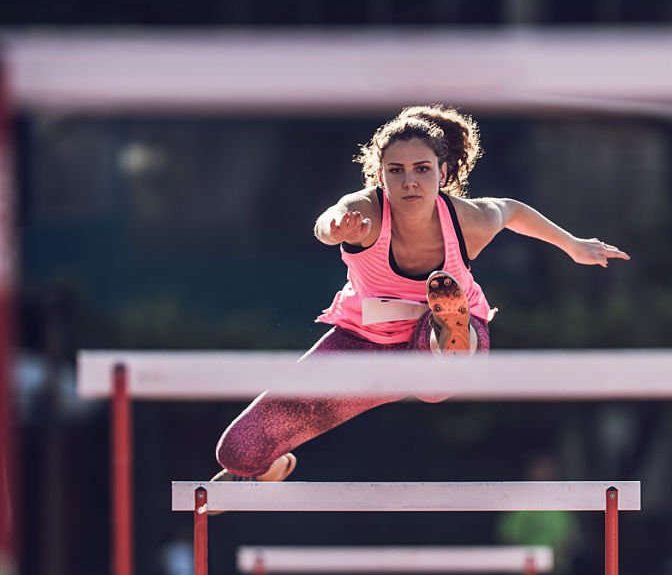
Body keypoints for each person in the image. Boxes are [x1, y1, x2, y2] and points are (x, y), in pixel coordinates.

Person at [213, 105, 629, 481]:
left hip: (452, 338)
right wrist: (336, 228)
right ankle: (268, 469)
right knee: (236, 451)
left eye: (421, 169)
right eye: (396, 171)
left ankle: (447, 333)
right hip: (363, 343)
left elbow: (513, 211)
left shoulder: (469, 220)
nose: (409, 181)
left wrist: (573, 244)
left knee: (434, 376)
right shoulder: (367, 212)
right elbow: (328, 219)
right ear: (380, 176)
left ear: (443, 173)